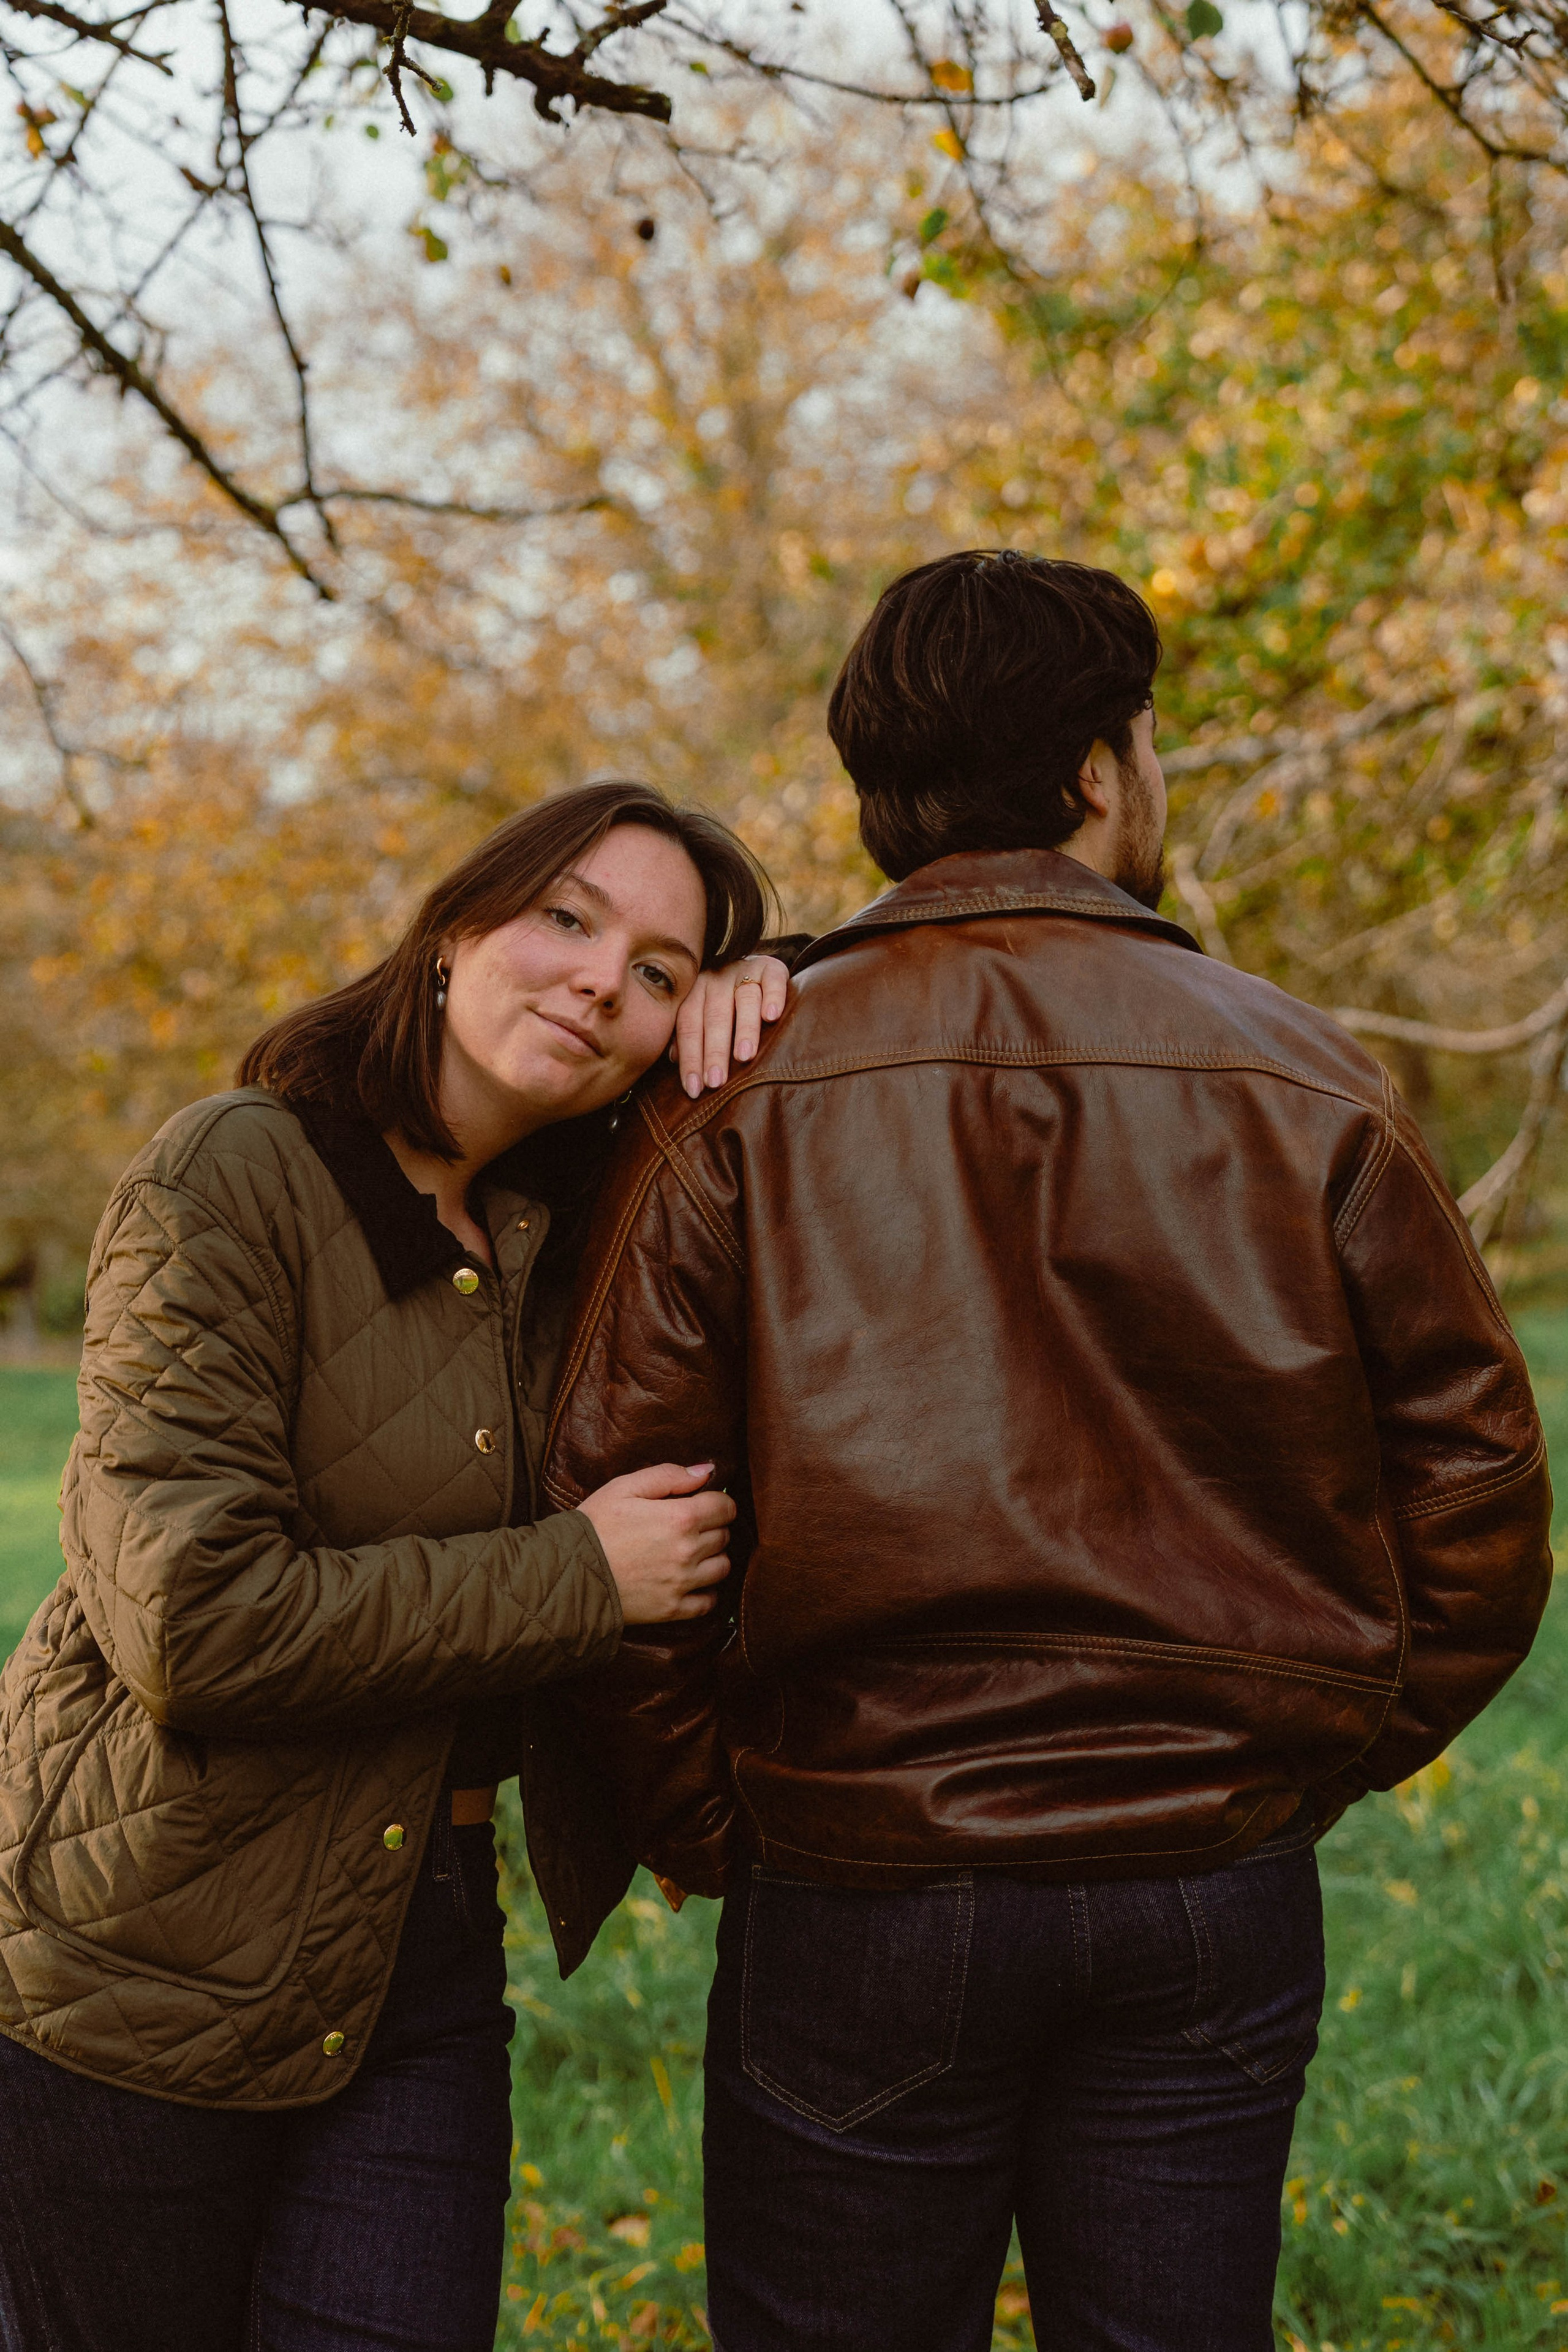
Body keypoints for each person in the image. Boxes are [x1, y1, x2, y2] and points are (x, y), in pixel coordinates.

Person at [541, 554, 1555, 2352]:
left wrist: (734, 1822)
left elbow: (611, 1497)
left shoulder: (732, 1095)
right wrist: (1281, 1767)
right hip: (1205, 1884)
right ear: (1100, 768)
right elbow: (1476, 1499)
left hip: (855, 1878)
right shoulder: (1308, 1078)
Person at [0, 780, 797, 2352]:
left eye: (658, 971)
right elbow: (193, 1622)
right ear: (452, 931)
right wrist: (582, 1579)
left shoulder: (568, 1233)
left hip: (418, 1946)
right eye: (567, 918)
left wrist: (794, 981)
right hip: (135, 1949)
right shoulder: (232, 1175)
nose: (602, 982)